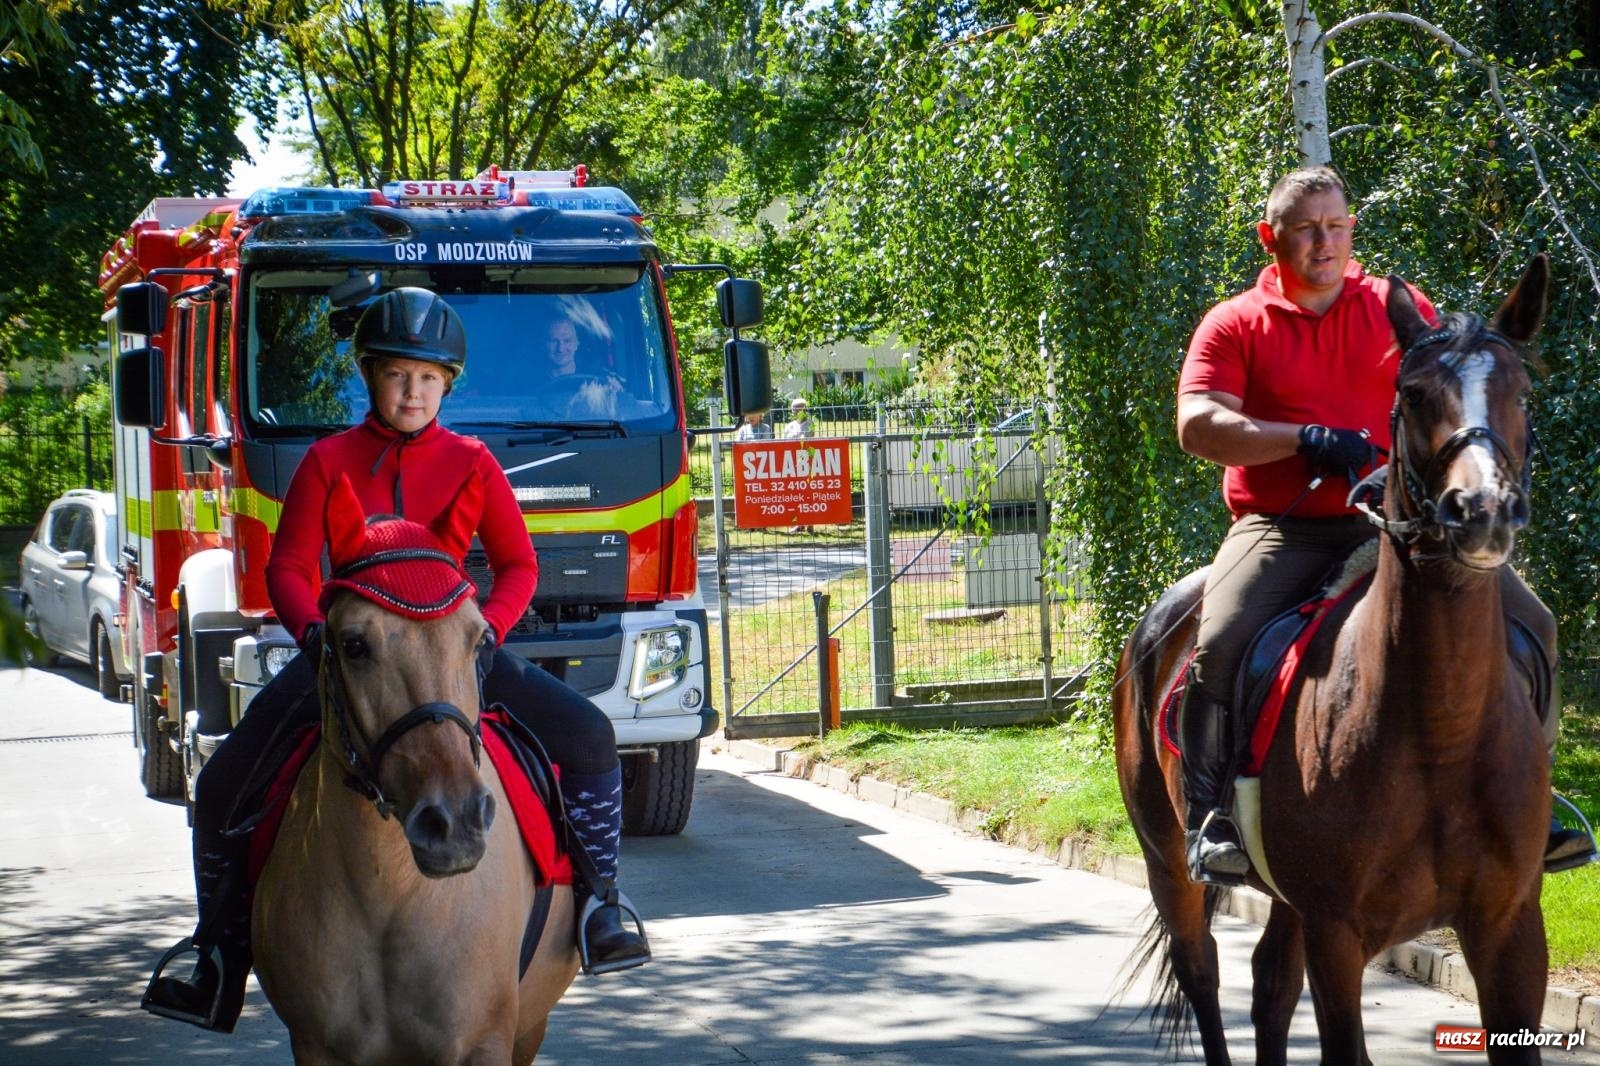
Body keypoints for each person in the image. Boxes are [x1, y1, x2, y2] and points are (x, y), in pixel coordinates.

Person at [143, 288, 650, 1033]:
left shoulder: (474, 463)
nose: (412, 392)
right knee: (223, 779)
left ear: (447, 385)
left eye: (428, 378)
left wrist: (488, 636)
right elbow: (287, 568)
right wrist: (317, 635)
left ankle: (601, 903)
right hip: (350, 654)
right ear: (370, 377)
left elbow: (517, 567)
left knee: (588, 738)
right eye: (397, 376)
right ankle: (217, 949)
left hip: (453, 650)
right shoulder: (325, 460)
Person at [1175, 166, 1593, 885]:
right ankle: (1212, 818)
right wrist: (1302, 438)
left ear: (1351, 229)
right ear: (1269, 236)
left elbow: (1449, 392)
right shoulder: (1235, 321)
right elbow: (1198, 425)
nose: (1323, 242)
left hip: (1401, 526)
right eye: (1305, 229)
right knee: (1220, 639)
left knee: (1538, 625)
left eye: (1336, 226)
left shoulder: (1394, 306)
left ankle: (1537, 798)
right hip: (1285, 526)